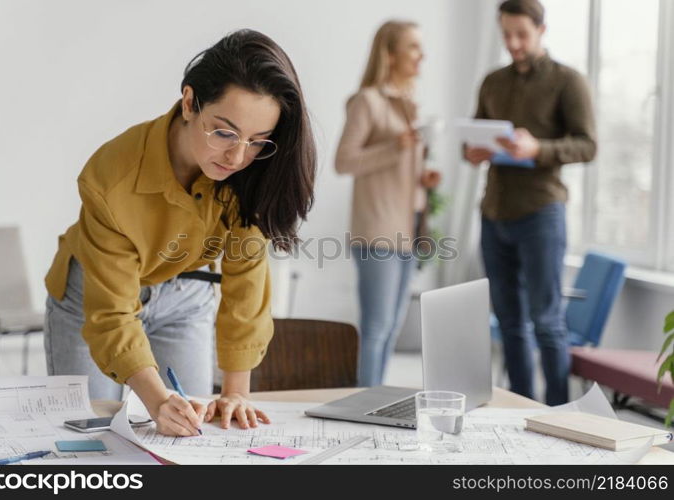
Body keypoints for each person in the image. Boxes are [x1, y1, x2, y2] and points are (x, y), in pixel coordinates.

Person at [43, 29, 316, 436]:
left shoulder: (253, 174)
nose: (238, 157)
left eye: (258, 141)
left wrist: (237, 392)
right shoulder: (110, 176)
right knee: (92, 435)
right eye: (224, 132)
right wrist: (156, 401)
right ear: (190, 103)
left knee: (193, 431)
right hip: (94, 297)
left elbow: (246, 281)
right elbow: (114, 314)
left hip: (186, 295)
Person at [465, 0, 596, 405]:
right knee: (509, 323)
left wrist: (537, 148)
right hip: (493, 212)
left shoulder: (568, 81)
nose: (514, 43)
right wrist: (472, 150)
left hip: (541, 213)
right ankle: (520, 410)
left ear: (541, 30)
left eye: (521, 34)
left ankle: (559, 414)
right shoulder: (492, 81)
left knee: (546, 322)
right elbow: (474, 136)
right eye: (507, 34)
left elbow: (587, 145)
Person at [335, 20, 442, 387]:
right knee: (376, 328)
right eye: (413, 47)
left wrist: (423, 179)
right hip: (377, 229)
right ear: (390, 53)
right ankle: (364, 404)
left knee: (393, 328)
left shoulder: (409, 106)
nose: (421, 55)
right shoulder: (367, 102)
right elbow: (343, 161)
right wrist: (395, 147)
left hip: (407, 229)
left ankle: (375, 400)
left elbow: (398, 168)